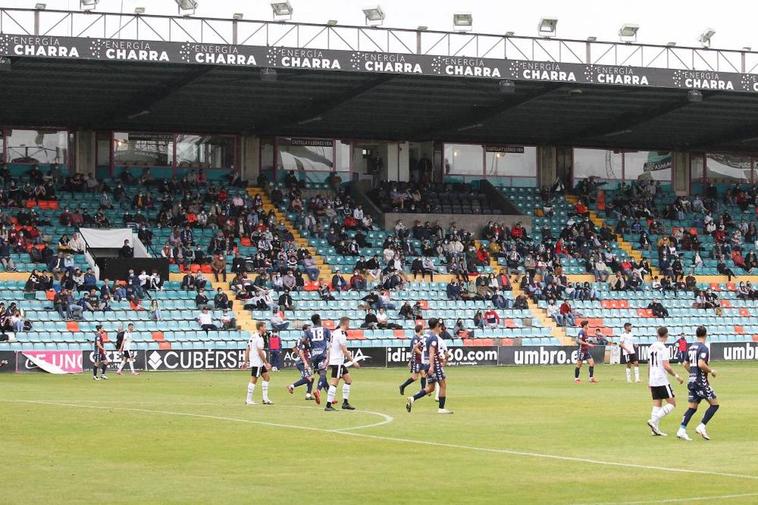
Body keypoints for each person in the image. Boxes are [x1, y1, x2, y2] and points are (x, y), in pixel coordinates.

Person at [677, 326, 720, 441]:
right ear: (706, 335)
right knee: (714, 404)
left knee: (692, 407)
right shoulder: (703, 348)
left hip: (692, 381)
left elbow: (685, 363)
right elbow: (701, 364)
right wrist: (711, 371)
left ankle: (681, 430)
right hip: (701, 382)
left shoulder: (691, 347)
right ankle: (701, 426)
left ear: (696, 335)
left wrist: (692, 373)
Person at [406, 318, 452, 414]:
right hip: (434, 364)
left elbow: (415, 347)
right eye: (440, 326)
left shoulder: (426, 336)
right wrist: (432, 365)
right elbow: (431, 352)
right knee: (443, 384)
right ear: (436, 326)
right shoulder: (435, 338)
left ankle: (412, 398)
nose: (441, 328)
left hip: (426, 364)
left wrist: (414, 359)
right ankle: (441, 408)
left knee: (431, 388)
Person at [646, 326, 684, 436]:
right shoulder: (663, 348)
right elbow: (666, 366)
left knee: (657, 404)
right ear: (666, 336)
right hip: (661, 379)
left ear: (657, 334)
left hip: (653, 378)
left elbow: (649, 365)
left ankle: (655, 430)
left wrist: (649, 379)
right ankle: (653, 421)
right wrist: (677, 376)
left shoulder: (651, 346)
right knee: (672, 403)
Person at [324, 316, 359, 412]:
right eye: (348, 323)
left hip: (336, 361)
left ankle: (345, 403)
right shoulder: (341, 334)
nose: (349, 325)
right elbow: (344, 350)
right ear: (345, 323)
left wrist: (328, 360)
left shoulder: (335, 332)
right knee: (334, 383)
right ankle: (328, 405)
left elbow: (330, 347)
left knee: (348, 380)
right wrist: (353, 361)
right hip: (337, 362)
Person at [286, 324, 321, 404]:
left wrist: (299, 354)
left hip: (305, 361)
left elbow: (293, 347)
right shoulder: (304, 340)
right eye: (309, 329)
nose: (310, 330)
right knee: (309, 378)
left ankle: (308, 395)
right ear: (305, 330)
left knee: (311, 378)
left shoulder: (302, 339)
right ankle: (291, 386)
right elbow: (298, 349)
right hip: (303, 362)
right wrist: (302, 358)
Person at [244, 321, 273, 405]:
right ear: (260, 327)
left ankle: (265, 399)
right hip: (257, 361)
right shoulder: (259, 338)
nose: (265, 328)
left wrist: (246, 361)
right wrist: (266, 362)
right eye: (264, 327)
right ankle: (248, 400)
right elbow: (260, 352)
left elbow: (248, 349)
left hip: (257, 361)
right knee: (254, 379)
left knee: (266, 377)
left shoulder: (253, 336)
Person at [398, 325, 427, 396]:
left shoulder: (419, 338)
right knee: (415, 377)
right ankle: (402, 386)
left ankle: (423, 391)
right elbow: (415, 349)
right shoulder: (415, 338)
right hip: (416, 360)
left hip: (420, 360)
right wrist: (422, 354)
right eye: (423, 329)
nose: (423, 331)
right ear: (420, 330)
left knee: (423, 375)